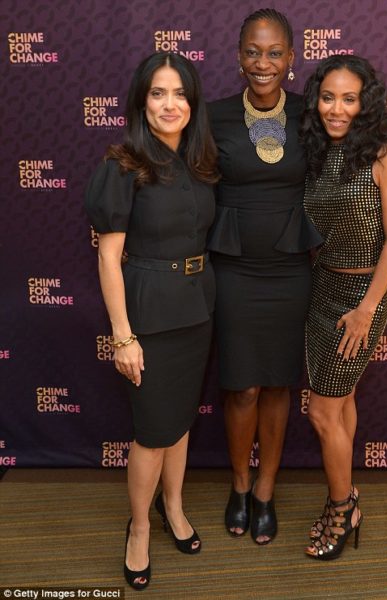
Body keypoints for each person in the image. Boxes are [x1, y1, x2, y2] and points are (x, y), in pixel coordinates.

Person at [84, 52, 218, 589]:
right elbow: (107, 258)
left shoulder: (201, 160)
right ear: (142, 101)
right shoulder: (122, 164)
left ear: (193, 102)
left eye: (180, 93)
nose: (170, 104)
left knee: (180, 421)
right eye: (158, 93)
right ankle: (139, 527)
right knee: (152, 432)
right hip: (148, 312)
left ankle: (174, 506)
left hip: (198, 306)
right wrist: (123, 335)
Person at [207, 8, 322, 545]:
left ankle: (266, 491)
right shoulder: (212, 116)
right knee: (241, 388)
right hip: (232, 271)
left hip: (289, 272)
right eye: (253, 52)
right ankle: (238, 483)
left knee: (278, 384)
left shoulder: (310, 115)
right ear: (237, 58)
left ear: (291, 59)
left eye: (274, 52)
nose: (263, 62)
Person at [300, 55, 387, 560]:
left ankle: (343, 508)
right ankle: (346, 495)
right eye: (328, 97)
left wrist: (367, 308)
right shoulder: (320, 153)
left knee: (322, 411)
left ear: (366, 102)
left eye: (349, 99)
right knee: (339, 406)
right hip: (323, 290)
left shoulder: (383, 155)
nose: (336, 109)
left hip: (359, 302)